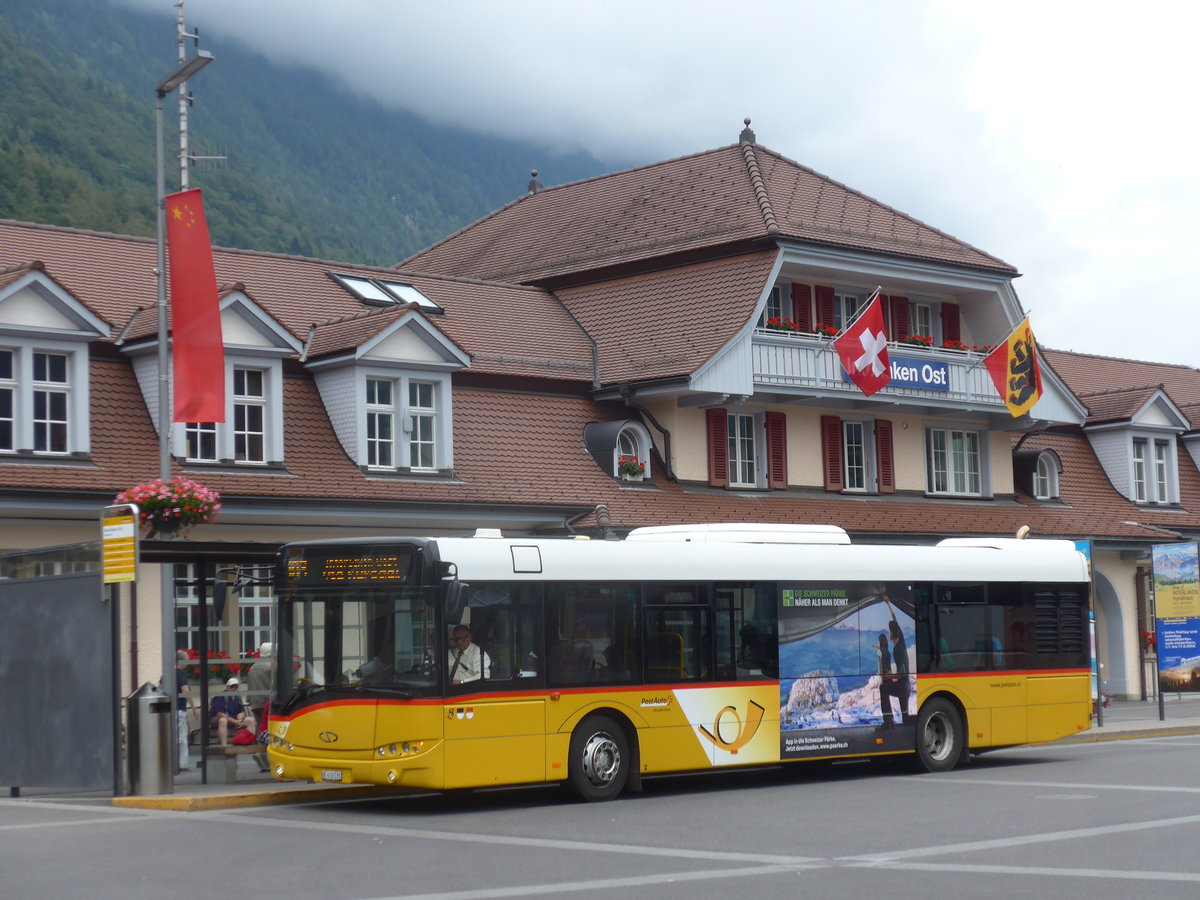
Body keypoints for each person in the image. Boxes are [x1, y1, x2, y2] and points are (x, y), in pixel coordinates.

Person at [881, 594, 911, 724]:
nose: (889, 633)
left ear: (892, 634)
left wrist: (888, 677)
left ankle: (888, 721)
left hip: (902, 686)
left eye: (889, 631)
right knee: (905, 718)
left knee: (883, 688)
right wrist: (888, 604)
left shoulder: (897, 649)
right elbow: (895, 621)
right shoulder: (902, 641)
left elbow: (902, 672)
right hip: (907, 686)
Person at [210, 677, 255, 747]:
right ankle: (224, 746)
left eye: (236, 687)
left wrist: (239, 720)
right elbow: (220, 713)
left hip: (234, 719)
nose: (234, 689)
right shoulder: (221, 697)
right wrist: (235, 722)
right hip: (219, 719)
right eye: (232, 686)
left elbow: (241, 711)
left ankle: (248, 742)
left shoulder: (238, 698)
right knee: (223, 720)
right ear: (227, 687)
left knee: (250, 720)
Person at [174, 650, 196, 772]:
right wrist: (193, 707)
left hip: (170, 709)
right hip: (179, 709)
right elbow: (185, 691)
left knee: (174, 735)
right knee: (181, 737)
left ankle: (175, 762)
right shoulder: (181, 673)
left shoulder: (167, 673)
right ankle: (180, 764)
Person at [247, 642, 273, 726]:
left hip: (255, 704)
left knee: (259, 726)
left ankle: (259, 739)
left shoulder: (253, 667)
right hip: (267, 703)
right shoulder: (271, 667)